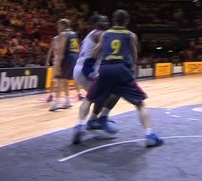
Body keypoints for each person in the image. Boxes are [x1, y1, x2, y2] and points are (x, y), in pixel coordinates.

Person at [86, 10, 164, 147]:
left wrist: (92, 66)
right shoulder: (131, 35)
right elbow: (134, 55)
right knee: (140, 103)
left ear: (113, 20)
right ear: (127, 21)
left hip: (103, 69)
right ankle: (150, 134)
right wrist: (132, 69)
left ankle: (91, 120)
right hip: (121, 71)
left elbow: (94, 52)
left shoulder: (105, 34)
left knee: (99, 96)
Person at [72, 14, 120, 144]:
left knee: (100, 96)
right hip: (87, 70)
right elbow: (105, 42)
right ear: (95, 24)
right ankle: (99, 119)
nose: (105, 22)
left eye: (106, 20)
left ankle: (87, 122)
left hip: (84, 69)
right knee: (114, 92)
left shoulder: (94, 34)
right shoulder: (99, 34)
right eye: (101, 20)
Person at [49, 19, 80, 111]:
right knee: (65, 81)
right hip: (75, 56)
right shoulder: (74, 34)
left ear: (64, 25)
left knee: (60, 79)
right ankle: (67, 102)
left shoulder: (63, 34)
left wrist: (58, 61)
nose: (58, 28)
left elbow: (62, 48)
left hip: (68, 56)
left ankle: (56, 104)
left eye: (59, 26)